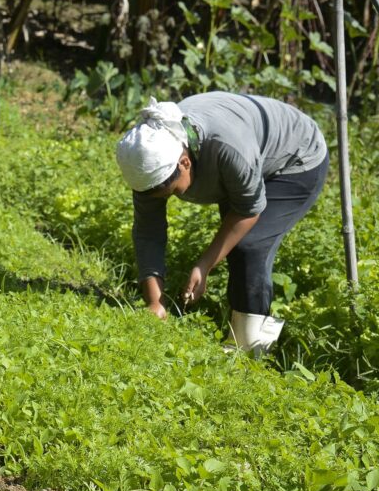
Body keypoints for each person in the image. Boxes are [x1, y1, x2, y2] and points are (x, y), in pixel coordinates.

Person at [115, 92, 328, 354]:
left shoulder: (226, 147)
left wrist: (204, 265)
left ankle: (250, 347)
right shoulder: (147, 161)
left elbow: (248, 210)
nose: (170, 197)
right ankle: (240, 327)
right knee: (235, 243)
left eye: (172, 191)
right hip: (247, 156)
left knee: (249, 244)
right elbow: (148, 231)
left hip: (296, 158)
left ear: (184, 162)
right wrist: (155, 302)